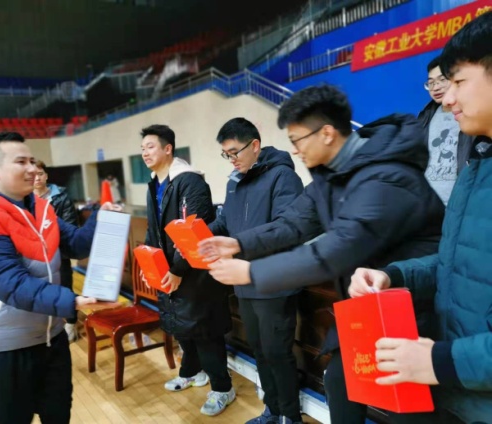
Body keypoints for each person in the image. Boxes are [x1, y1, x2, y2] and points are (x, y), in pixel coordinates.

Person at [199, 84, 445, 424]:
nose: (294, 149)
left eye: (298, 139)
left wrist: (252, 272)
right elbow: (292, 224)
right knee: (340, 383)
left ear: (327, 133)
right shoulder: (329, 179)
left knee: (408, 408)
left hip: (413, 310)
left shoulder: (387, 176)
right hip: (369, 306)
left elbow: (335, 251)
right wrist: (238, 243)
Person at [348, 12, 492, 424]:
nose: (446, 99)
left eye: (458, 82)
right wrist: (393, 275)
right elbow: (456, 263)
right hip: (461, 395)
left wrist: (437, 361)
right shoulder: (477, 168)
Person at [0, 132, 119, 424]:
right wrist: (72, 301)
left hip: (50, 339)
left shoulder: (41, 208)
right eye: (21, 162)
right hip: (3, 348)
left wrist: (100, 219)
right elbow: (9, 283)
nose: (32, 168)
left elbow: (75, 244)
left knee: (58, 416)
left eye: (32, 161)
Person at [208, 117, 304, 424]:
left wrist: (239, 243)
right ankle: (272, 410)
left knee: (278, 353)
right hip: (243, 281)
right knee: (260, 351)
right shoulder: (234, 182)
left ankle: (290, 416)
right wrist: (200, 233)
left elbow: (286, 229)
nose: (231, 160)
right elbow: (225, 223)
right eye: (226, 154)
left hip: (274, 281)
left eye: (235, 152)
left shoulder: (282, 177)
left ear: (255, 145)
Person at [140, 124, 235, 416]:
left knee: (204, 332)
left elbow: (196, 231)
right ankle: (192, 372)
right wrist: (148, 263)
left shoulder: (190, 182)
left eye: (150, 147)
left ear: (168, 148)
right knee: (181, 327)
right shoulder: (154, 185)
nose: (144, 153)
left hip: (195, 272)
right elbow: (152, 231)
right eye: (142, 148)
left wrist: (179, 270)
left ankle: (223, 388)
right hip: (169, 271)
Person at [418, 54, 474, 205]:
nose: (436, 87)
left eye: (442, 80)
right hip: (429, 205)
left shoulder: (472, 114)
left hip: (461, 203)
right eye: (431, 83)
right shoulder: (424, 117)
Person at [34, 160, 79, 342]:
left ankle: (71, 324)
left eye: (40, 174)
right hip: (34, 255)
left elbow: (70, 226)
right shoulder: (23, 198)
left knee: (65, 289)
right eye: (33, 175)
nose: (37, 178)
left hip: (59, 253)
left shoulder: (61, 197)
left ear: (46, 176)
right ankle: (49, 324)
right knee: (41, 290)